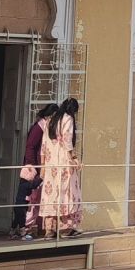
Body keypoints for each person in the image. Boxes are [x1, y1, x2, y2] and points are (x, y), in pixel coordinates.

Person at [12, 103, 57, 239]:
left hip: (40, 167)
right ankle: (25, 227)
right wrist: (32, 165)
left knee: (35, 198)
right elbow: (30, 146)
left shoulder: (46, 127)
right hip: (34, 168)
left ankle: (29, 227)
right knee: (29, 199)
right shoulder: (39, 127)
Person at [39, 97, 82, 238]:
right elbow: (67, 141)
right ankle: (65, 228)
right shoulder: (67, 119)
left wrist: (43, 165)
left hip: (51, 164)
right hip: (63, 163)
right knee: (67, 193)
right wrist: (73, 158)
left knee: (50, 194)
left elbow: (44, 145)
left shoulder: (50, 120)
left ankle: (49, 230)